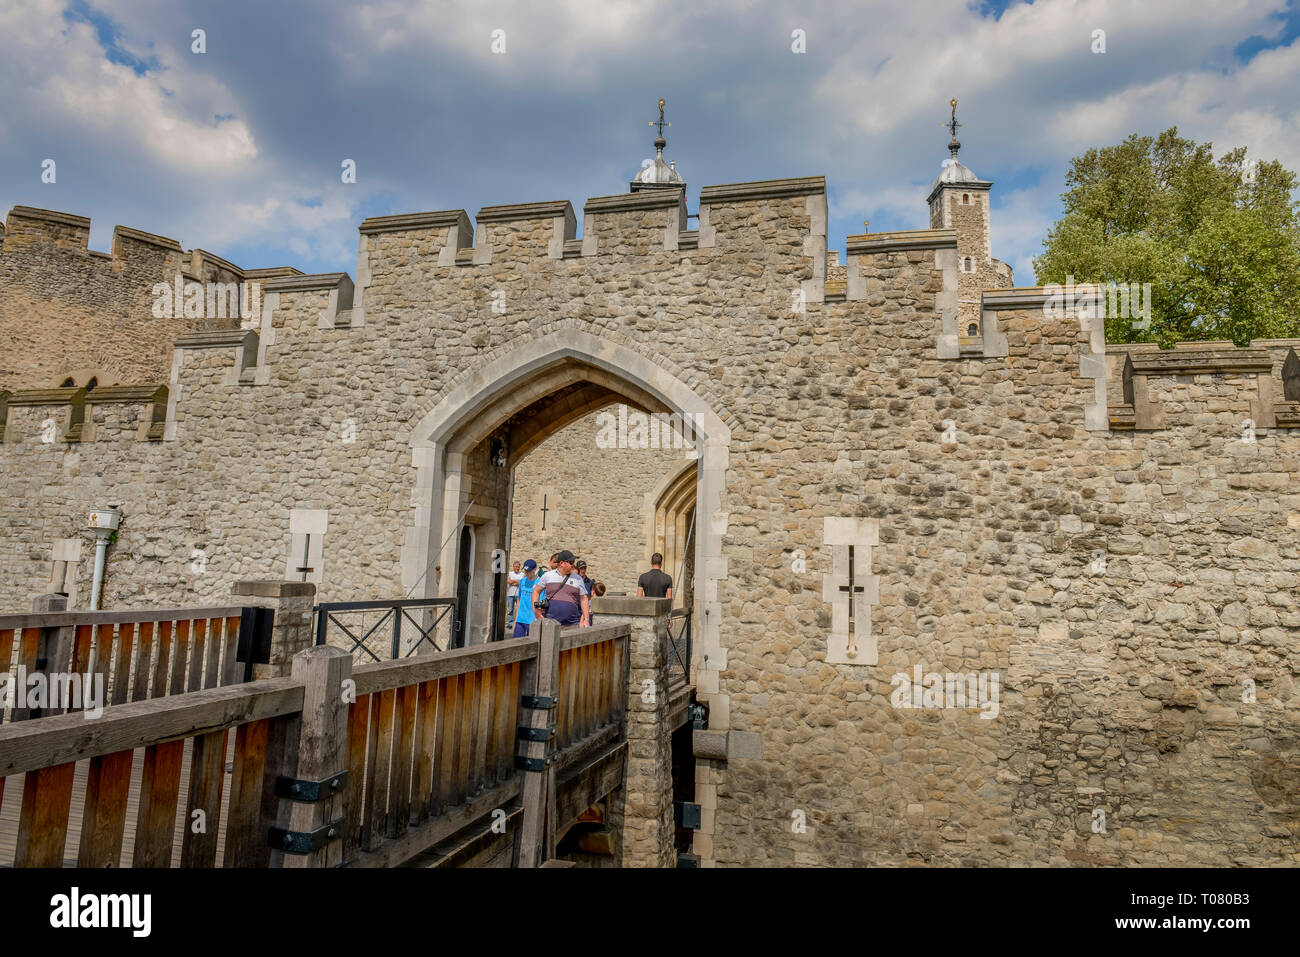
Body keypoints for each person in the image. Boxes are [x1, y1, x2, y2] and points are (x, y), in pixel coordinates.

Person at [533, 550, 590, 628]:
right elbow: (536, 591)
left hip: (572, 625)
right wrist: (535, 610)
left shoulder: (578, 579)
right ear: (561, 563)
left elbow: (584, 599)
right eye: (571, 562)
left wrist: (586, 619)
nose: (573, 564)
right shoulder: (548, 576)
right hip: (550, 625)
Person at [512, 559, 541, 638]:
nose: (526, 573)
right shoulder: (522, 581)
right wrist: (516, 619)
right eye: (525, 571)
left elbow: (541, 603)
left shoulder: (540, 582)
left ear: (534, 570)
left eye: (528, 571)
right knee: (516, 644)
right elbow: (519, 599)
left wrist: (538, 618)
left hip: (533, 620)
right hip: (520, 619)